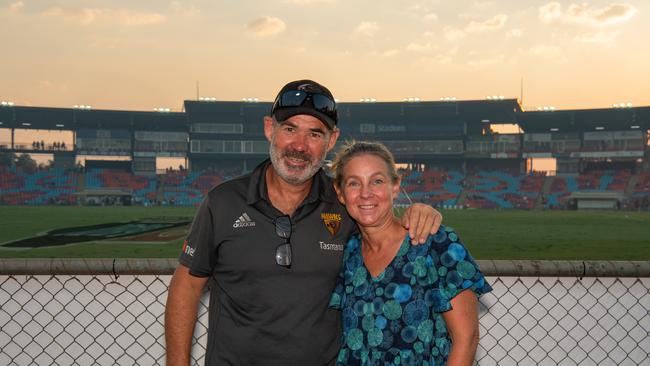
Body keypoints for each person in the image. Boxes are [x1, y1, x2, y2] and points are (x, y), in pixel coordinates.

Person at [165, 80, 443, 365]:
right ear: (269, 128)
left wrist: (418, 212)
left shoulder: (346, 204)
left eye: (314, 134)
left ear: (331, 140)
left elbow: (387, 232)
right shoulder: (223, 202)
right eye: (290, 129)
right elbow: (186, 285)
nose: (300, 146)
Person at [329, 141, 492, 365]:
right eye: (354, 183)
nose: (366, 193)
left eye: (377, 181)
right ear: (340, 193)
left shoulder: (435, 244)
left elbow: (466, 339)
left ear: (395, 186)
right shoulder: (348, 252)